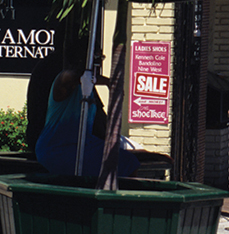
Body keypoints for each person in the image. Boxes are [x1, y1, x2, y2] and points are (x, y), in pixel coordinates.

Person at [34, 66, 170, 177]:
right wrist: (107, 81)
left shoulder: (89, 91)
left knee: (128, 162)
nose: (99, 60)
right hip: (57, 149)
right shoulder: (64, 83)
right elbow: (72, 75)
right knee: (125, 164)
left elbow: (101, 127)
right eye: (95, 56)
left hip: (84, 145)